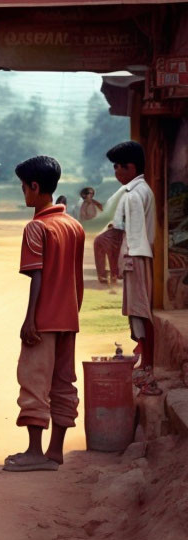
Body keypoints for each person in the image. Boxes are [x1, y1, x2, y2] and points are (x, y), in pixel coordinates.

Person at [4, 156, 84, 472]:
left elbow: (36, 276)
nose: (23, 193)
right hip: (69, 317)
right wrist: (72, 312)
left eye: (24, 187)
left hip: (44, 319)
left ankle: (35, 452)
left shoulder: (37, 227)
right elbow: (76, 278)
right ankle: (55, 450)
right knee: (64, 382)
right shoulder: (74, 226)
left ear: (35, 187)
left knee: (34, 381)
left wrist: (30, 319)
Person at [107, 141, 156, 373]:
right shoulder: (142, 190)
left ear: (132, 168)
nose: (116, 172)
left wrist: (121, 260)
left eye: (119, 167)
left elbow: (132, 233)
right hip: (140, 253)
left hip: (134, 254)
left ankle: (146, 361)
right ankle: (143, 356)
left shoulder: (133, 195)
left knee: (138, 309)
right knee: (138, 308)